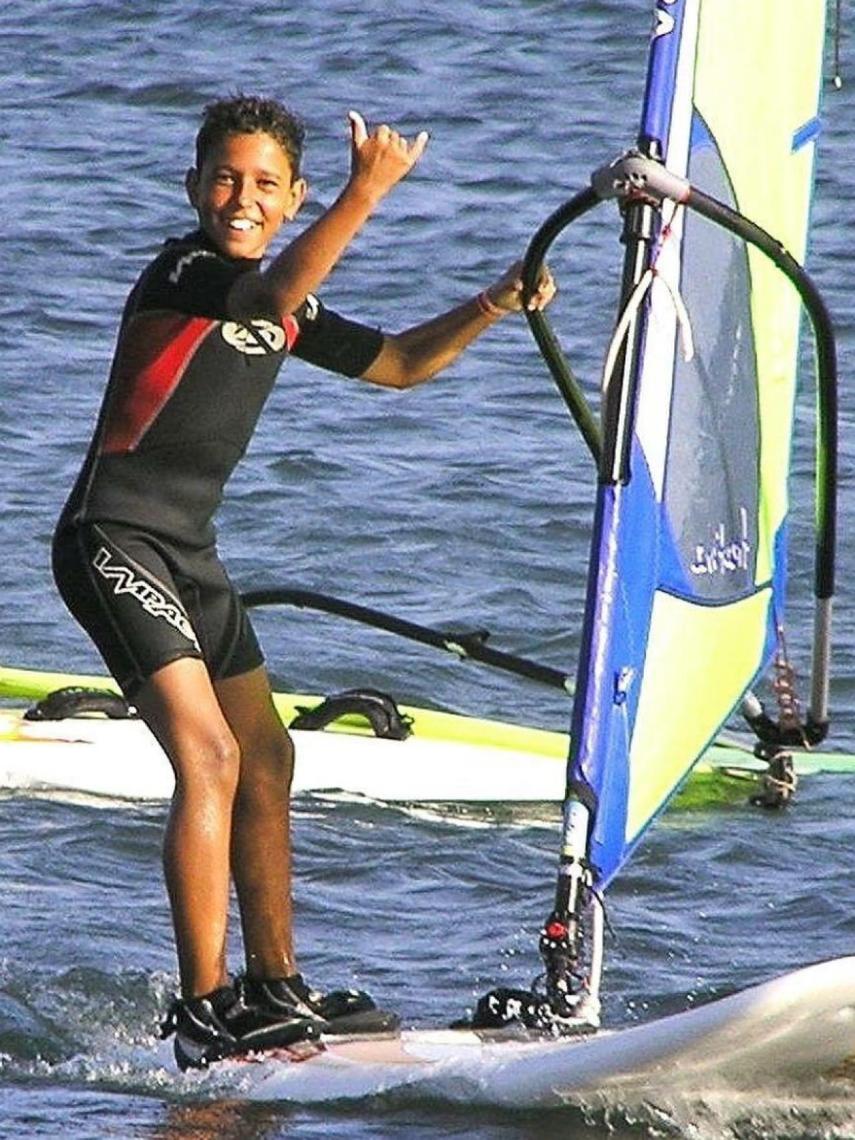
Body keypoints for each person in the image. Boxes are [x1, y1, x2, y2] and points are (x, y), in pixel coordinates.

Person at [51, 94, 556, 1071]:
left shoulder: (285, 304)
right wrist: (368, 194)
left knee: (267, 758)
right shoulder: (188, 272)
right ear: (193, 187)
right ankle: (204, 1006)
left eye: (266, 185)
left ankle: (274, 985)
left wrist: (495, 301)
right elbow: (273, 297)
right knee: (209, 760)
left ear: (294, 198)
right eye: (226, 179)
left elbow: (403, 364)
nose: (243, 197)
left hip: (189, 555)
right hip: (111, 540)